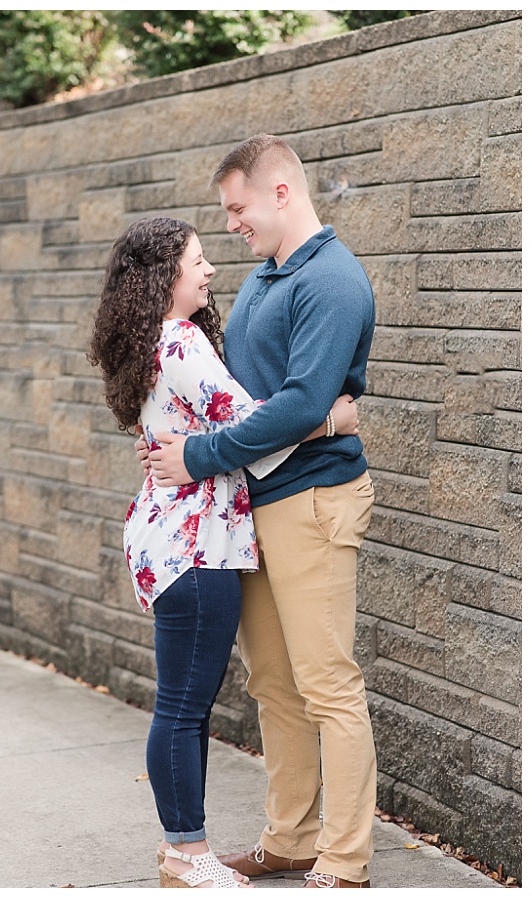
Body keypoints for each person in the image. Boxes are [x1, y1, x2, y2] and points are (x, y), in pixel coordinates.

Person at [89, 216, 356, 889]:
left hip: (171, 542)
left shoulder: (155, 343)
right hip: (196, 550)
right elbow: (256, 429)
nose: (209, 270)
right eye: (197, 260)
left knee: (185, 704)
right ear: (164, 278)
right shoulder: (180, 348)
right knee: (182, 707)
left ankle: (185, 850)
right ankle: (185, 853)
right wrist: (331, 418)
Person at [145, 135, 377, 889]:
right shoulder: (263, 281)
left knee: (327, 685)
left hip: (312, 501)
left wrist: (199, 455)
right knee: (274, 685)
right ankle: (291, 841)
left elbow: (302, 404)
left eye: (238, 208)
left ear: (281, 192)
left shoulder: (333, 282)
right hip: (251, 510)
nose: (233, 224)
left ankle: (343, 863)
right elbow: (245, 401)